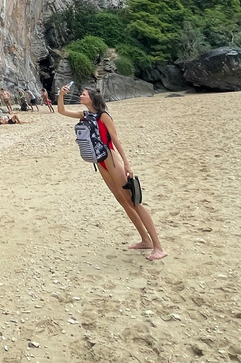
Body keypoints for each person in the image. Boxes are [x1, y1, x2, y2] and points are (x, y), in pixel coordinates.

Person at [57, 83, 166, 261]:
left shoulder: (104, 116)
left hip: (111, 159)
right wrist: (61, 95)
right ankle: (145, 240)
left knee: (134, 200)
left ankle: (158, 247)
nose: (81, 96)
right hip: (100, 162)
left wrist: (127, 164)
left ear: (91, 98)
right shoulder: (85, 115)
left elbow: (116, 140)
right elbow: (61, 111)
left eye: (83, 94)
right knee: (123, 201)